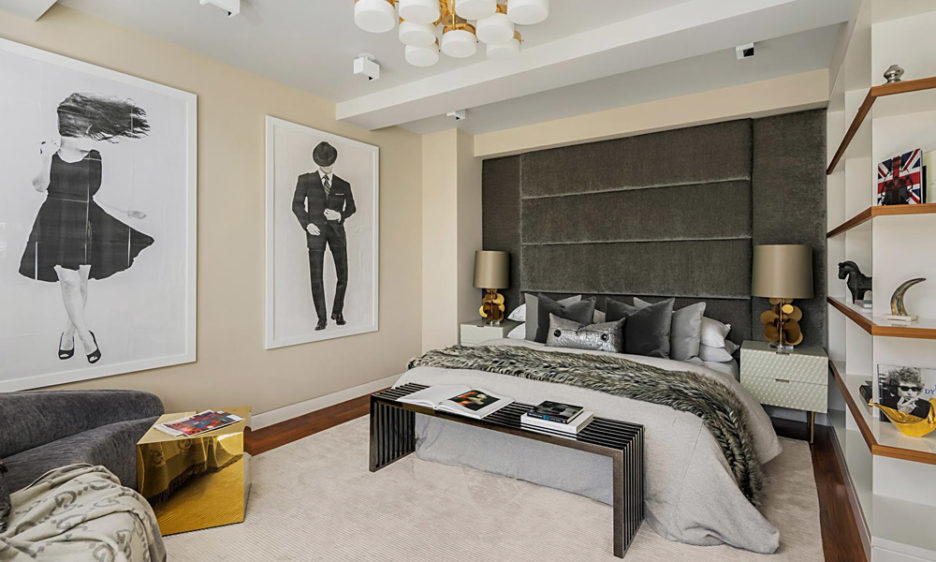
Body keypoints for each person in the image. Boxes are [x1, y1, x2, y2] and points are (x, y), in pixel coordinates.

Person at [19, 93, 155, 364]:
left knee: (80, 284)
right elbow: (40, 186)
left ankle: (68, 334)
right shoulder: (49, 151)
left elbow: (93, 195)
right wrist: (46, 157)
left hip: (85, 220)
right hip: (55, 220)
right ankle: (86, 338)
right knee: (68, 281)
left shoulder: (94, 157)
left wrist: (125, 212)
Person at [292, 141, 356, 330]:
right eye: (322, 164)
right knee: (316, 277)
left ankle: (337, 311)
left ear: (334, 161)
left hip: (337, 233)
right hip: (315, 233)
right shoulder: (305, 180)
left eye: (328, 163)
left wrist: (340, 215)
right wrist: (307, 224)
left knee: (343, 275)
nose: (326, 167)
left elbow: (352, 207)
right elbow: (296, 205)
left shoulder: (343, 184)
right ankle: (321, 318)